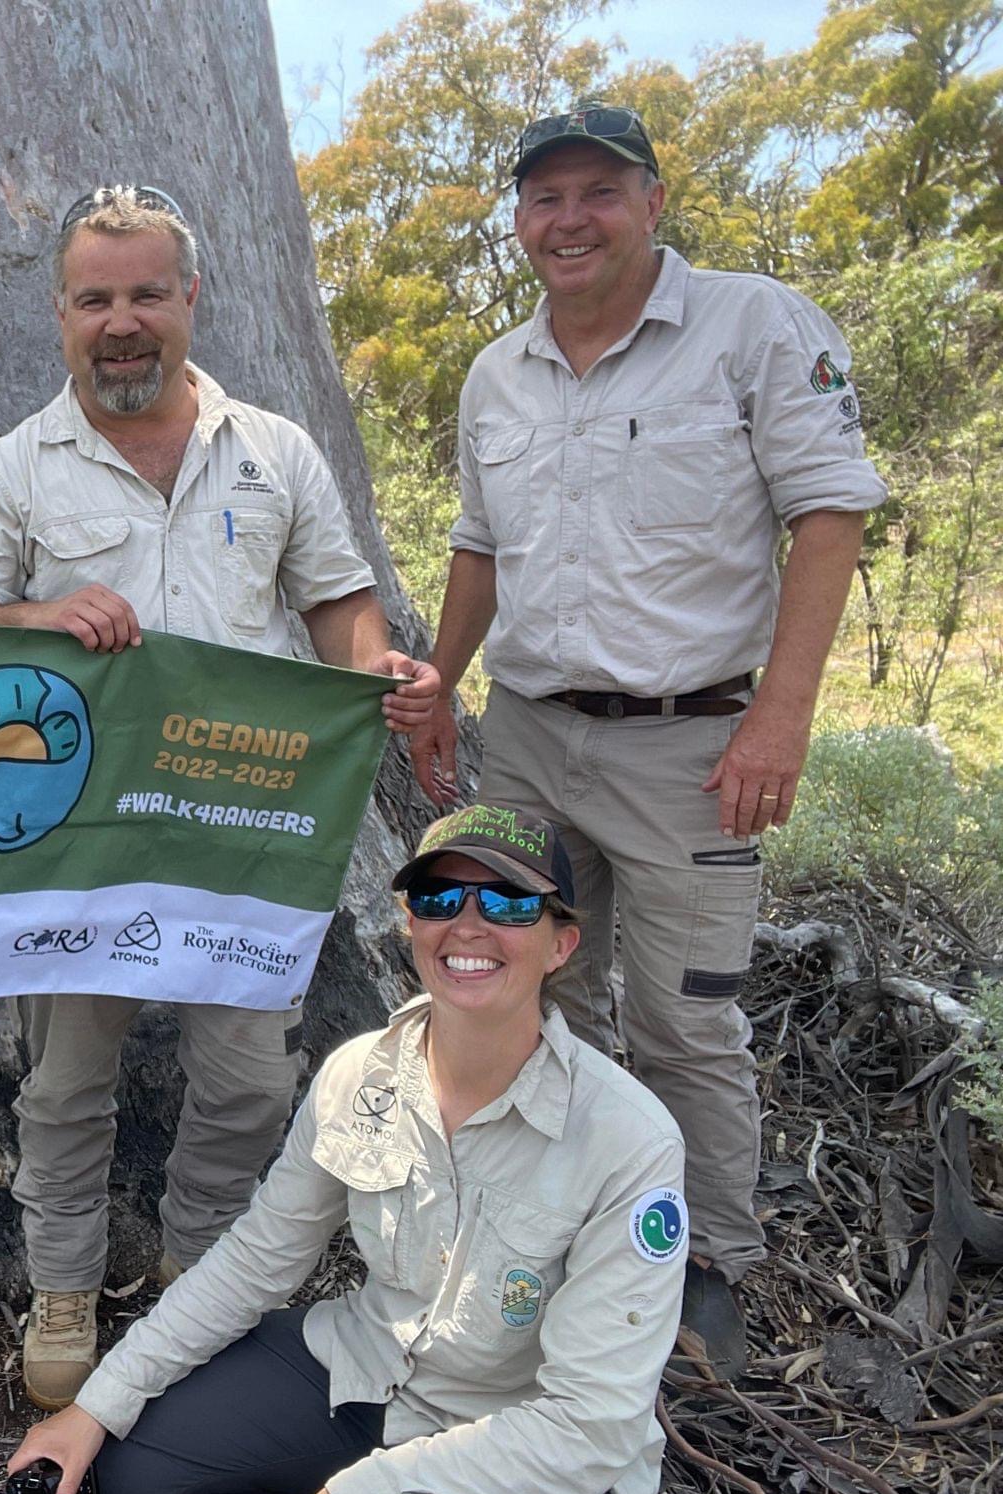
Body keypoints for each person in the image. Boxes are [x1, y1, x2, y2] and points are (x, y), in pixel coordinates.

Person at [0, 184, 441, 1409]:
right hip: (71, 836)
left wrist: (378, 676)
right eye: (94, 297)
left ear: (188, 299)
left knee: (252, 1078)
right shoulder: (13, 469)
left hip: (237, 829)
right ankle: (61, 1284)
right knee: (63, 1077)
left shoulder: (274, 451)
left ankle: (198, 1260)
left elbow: (335, 599)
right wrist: (37, 615)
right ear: (59, 316)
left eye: (146, 292)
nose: (121, 321)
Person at [406, 105, 886, 1377]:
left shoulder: (748, 325)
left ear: (651, 201)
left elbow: (828, 515)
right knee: (522, 989)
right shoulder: (495, 373)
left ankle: (711, 1256)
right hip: (526, 738)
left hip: (691, 749)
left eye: (596, 193)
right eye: (542, 198)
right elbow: (475, 548)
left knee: (685, 1023)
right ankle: (553, 1224)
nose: (568, 219)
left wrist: (777, 719)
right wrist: (439, 689)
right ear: (517, 221)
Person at [8, 804, 688, 1494]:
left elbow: (586, 1428)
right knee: (120, 1482)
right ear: (409, 924)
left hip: (528, 1447)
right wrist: (99, 1400)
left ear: (562, 944)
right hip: (367, 1372)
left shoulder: (630, 1141)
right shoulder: (360, 1075)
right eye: (438, 899)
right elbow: (256, 1261)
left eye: (510, 903)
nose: (468, 925)